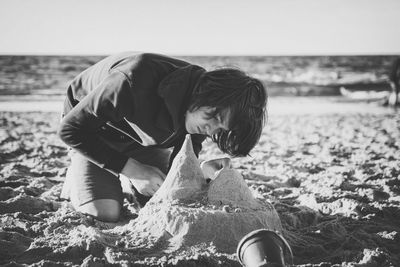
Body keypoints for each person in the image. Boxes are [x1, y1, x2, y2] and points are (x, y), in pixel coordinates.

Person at [58, 52, 267, 222]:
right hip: (92, 133)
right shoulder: (133, 79)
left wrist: (201, 173)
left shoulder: (201, 117)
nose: (210, 130)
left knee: (165, 198)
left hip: (140, 140)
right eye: (215, 116)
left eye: (221, 130)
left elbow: (181, 165)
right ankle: (77, 172)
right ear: (207, 92)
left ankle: (121, 173)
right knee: (105, 213)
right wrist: (132, 170)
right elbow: (70, 130)